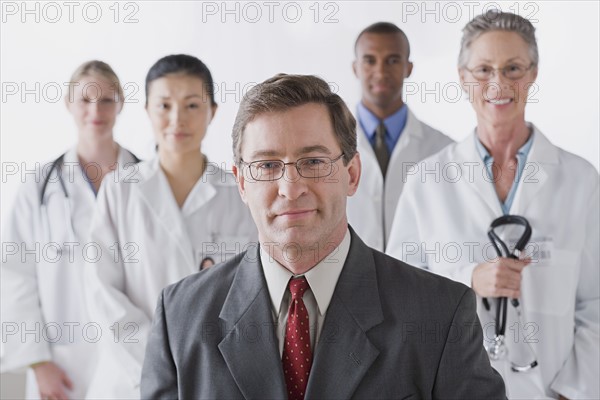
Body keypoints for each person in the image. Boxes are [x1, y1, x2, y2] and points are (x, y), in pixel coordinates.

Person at [140, 73, 506, 399]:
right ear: (241, 182)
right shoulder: (181, 316)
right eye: (267, 166)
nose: (290, 187)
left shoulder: (440, 312)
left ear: (352, 174)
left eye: (313, 162)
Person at [387, 11, 599, 399]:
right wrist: (469, 279)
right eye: (483, 69)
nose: (498, 83)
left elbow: (597, 303)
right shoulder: (427, 181)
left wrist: (575, 391)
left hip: (551, 391)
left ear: (533, 73)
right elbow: (396, 297)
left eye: (513, 68)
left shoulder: (581, 181)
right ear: (463, 77)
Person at [83, 54, 257, 399]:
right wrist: (160, 367)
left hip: (214, 377)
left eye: (192, 105)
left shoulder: (239, 195)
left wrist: (198, 369)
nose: (178, 119)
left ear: (213, 112)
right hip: (129, 380)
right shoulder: (120, 190)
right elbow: (103, 293)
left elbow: (251, 296)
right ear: (147, 109)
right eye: (164, 105)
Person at [1, 60, 140, 399]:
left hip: (132, 358)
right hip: (61, 368)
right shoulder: (39, 187)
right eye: (85, 100)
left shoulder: (145, 182)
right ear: (68, 103)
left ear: (121, 103)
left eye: (107, 100)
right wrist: (37, 362)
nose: (96, 110)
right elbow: (15, 275)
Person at [347, 22, 453, 251]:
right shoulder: (327, 145)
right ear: (355, 68)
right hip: (347, 281)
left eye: (393, 60)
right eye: (369, 60)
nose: (381, 72)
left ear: (409, 68)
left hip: (418, 281)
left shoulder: (443, 151)